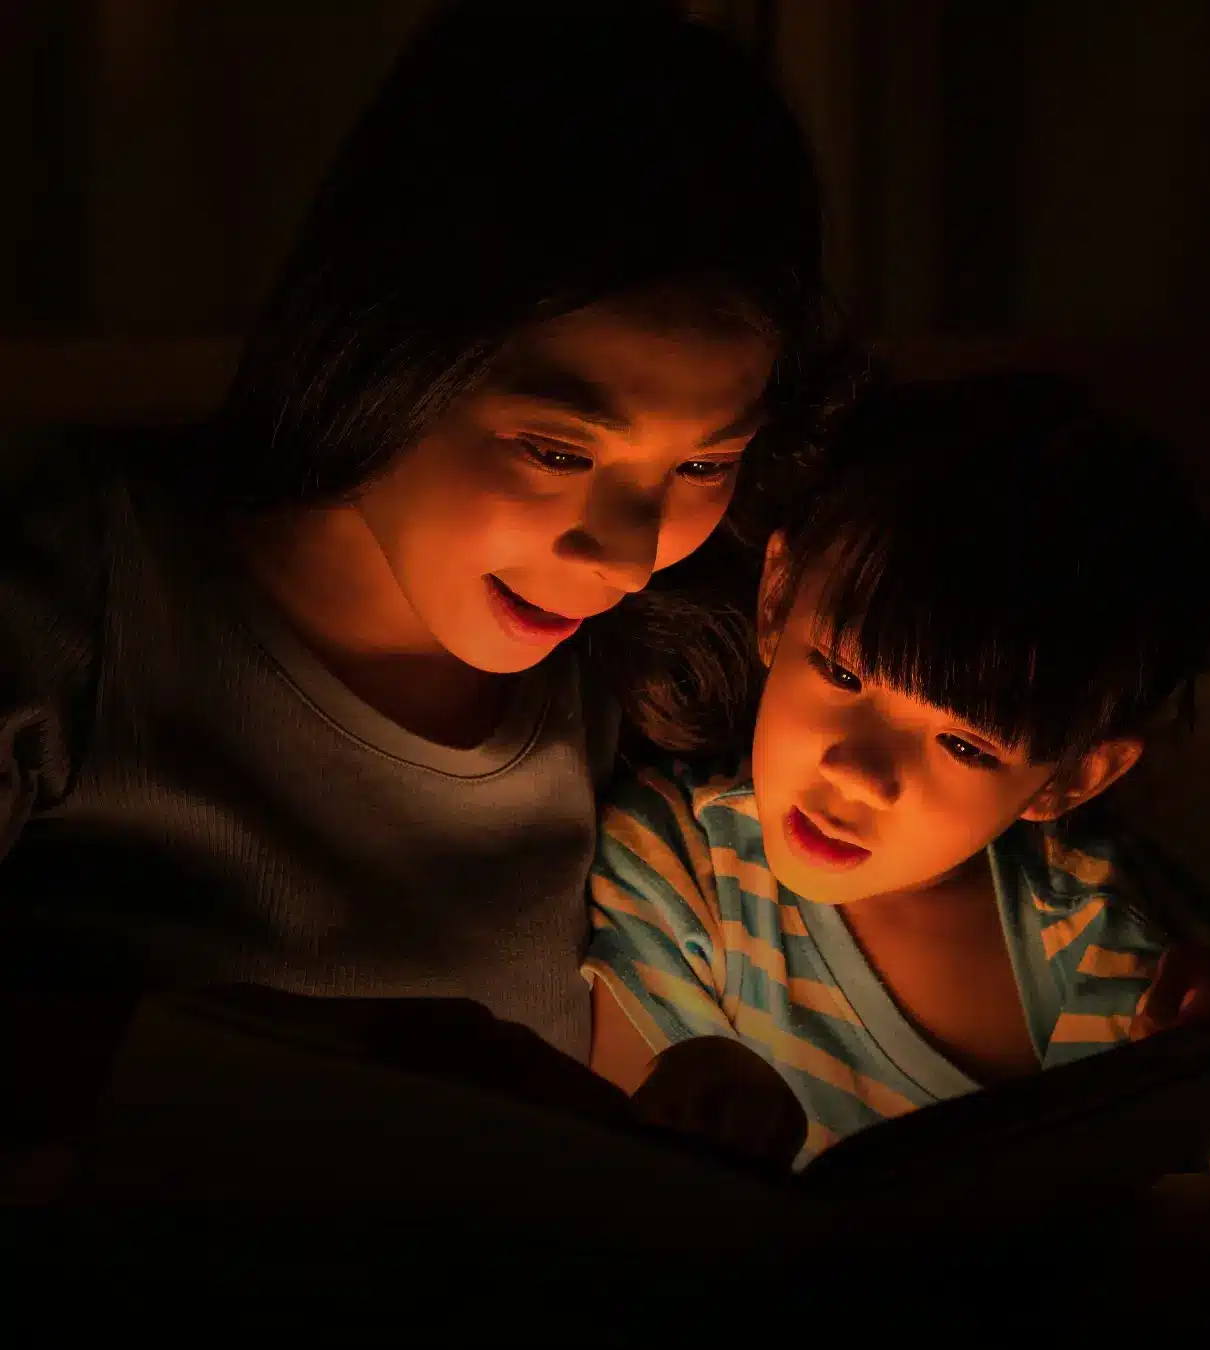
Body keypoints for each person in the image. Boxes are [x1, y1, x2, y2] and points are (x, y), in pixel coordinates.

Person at [0, 0, 827, 1185]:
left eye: (703, 464)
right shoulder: (81, 592)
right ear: (382, 352)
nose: (628, 555)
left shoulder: (642, 689)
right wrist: (341, 1076)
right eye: (556, 449)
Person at [586, 372, 1210, 1173]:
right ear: (777, 597)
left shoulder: (1131, 964)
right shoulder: (682, 864)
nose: (859, 775)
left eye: (965, 746)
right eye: (842, 673)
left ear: (1073, 778)